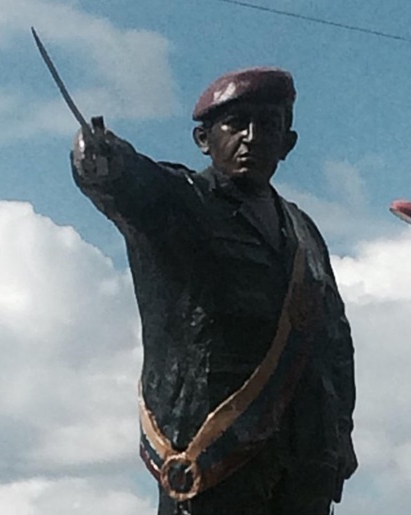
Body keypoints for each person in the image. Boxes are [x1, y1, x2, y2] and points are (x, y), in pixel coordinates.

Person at [71, 67, 357, 515]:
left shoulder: (304, 231)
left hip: (305, 460)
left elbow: (335, 341)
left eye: (268, 125)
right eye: (236, 124)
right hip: (217, 458)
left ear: (288, 142)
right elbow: (132, 185)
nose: (252, 136)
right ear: (204, 140)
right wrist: (103, 163)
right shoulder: (184, 202)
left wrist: (341, 432)